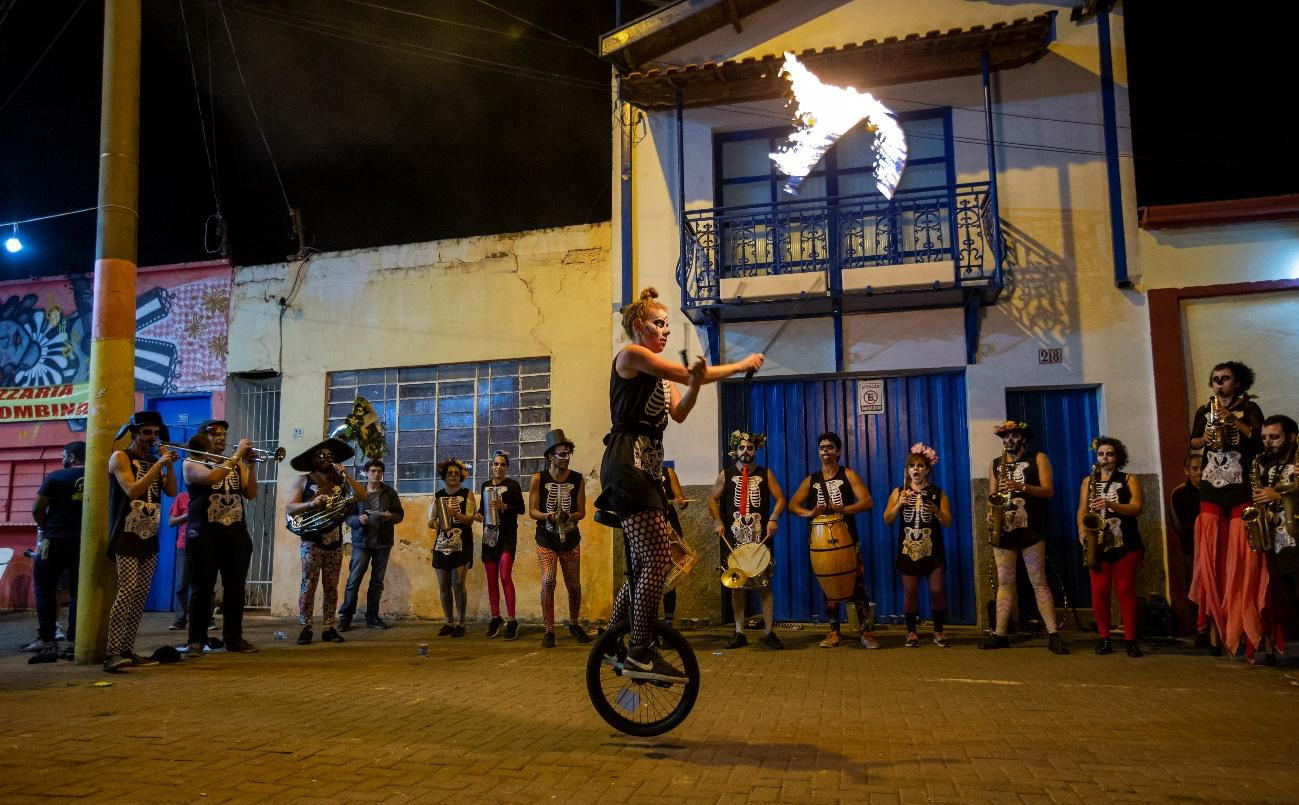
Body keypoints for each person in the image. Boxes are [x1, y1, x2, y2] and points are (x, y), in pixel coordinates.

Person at [597, 287, 762, 682]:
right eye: (659, 323)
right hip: (627, 463)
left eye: (668, 324)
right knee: (658, 560)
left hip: (648, 470)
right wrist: (738, 365)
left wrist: (695, 384)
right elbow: (688, 374)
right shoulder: (632, 356)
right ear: (639, 326)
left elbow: (682, 412)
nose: (666, 330)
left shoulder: (658, 373)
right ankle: (640, 649)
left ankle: (612, 642)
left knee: (649, 566)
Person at [1188, 361, 1264, 656]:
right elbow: (1193, 441)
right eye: (1216, 379)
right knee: (1209, 555)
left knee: (1239, 556)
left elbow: (1259, 440)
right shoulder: (1204, 409)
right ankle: (1209, 622)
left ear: (1238, 382)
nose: (1220, 383)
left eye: (1225, 379)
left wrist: (1234, 421)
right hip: (1211, 484)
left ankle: (1241, 622)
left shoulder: (1250, 409)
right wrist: (1204, 437)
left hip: (1240, 485)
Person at [981, 420, 1069, 654]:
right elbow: (992, 496)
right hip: (1004, 529)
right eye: (1006, 437)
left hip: (1031, 529)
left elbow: (1048, 491)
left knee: (1038, 581)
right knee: (1005, 582)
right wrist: (991, 515)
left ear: (1023, 437)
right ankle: (1000, 634)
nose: (1009, 440)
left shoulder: (1037, 458)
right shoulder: (996, 464)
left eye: (1014, 435)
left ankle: (1053, 634)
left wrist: (1022, 487)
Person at [103, 411, 178, 672]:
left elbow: (171, 492)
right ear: (135, 433)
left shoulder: (153, 459)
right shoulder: (121, 457)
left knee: (140, 596)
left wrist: (168, 465)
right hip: (126, 534)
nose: (152, 438)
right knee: (126, 592)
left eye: (156, 433)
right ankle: (111, 654)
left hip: (149, 535)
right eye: (147, 433)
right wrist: (158, 465)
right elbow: (132, 489)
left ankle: (127, 649)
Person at [789, 431, 878, 649]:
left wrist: (845, 509)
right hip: (820, 540)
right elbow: (793, 505)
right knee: (828, 583)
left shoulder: (848, 475)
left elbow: (867, 501)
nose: (825, 451)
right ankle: (833, 631)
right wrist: (809, 514)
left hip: (847, 537)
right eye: (822, 447)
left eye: (829, 447)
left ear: (837, 451)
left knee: (858, 585)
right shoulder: (812, 479)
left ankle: (865, 632)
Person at [183, 420, 259, 656]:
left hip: (235, 533)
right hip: (204, 533)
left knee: (235, 589)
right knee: (202, 588)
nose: (221, 438)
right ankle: (196, 640)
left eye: (224, 434)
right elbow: (212, 478)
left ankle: (234, 638)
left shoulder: (236, 465)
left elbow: (251, 493)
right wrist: (236, 456)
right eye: (215, 434)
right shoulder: (192, 462)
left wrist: (251, 465)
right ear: (202, 437)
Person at [285, 437, 367, 646]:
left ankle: (329, 627)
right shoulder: (303, 480)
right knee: (308, 585)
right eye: (321, 456)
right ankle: (306, 627)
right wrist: (312, 503)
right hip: (311, 541)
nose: (326, 459)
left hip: (334, 540)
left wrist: (346, 475)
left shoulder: (340, 480)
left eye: (330, 456)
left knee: (331, 586)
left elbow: (363, 496)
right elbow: (290, 508)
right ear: (313, 460)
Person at [711, 430, 785, 650]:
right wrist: (717, 521)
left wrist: (773, 518)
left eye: (749, 448)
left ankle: (769, 631)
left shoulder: (766, 473)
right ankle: (739, 631)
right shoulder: (726, 474)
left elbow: (781, 499)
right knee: (737, 586)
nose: (745, 451)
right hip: (734, 539)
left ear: (756, 450)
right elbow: (712, 500)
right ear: (736, 450)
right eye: (742, 448)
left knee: (765, 585)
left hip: (760, 537)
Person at [1076, 437, 1145, 658]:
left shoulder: (1129, 479)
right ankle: (1104, 637)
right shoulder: (1089, 481)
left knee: (1125, 590)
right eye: (1101, 454)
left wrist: (1110, 504)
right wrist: (1081, 532)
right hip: (1098, 543)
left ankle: (1130, 639)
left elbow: (1136, 508)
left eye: (1110, 454)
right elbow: (1082, 510)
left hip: (1125, 542)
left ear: (1118, 457)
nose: (1105, 457)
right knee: (1099, 591)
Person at [881, 443, 952, 648]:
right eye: (912, 466)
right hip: (908, 549)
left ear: (928, 469)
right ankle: (911, 632)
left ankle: (938, 630)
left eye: (920, 466)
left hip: (932, 549)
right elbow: (887, 519)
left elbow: (948, 521)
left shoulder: (938, 493)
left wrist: (937, 510)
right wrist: (899, 504)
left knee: (937, 590)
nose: (916, 469)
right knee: (910, 592)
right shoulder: (899, 492)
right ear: (907, 470)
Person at [529, 430, 591, 647]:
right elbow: (533, 511)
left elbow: (582, 512)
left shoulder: (577, 479)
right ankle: (549, 629)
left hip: (570, 538)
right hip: (546, 538)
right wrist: (549, 516)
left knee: (573, 585)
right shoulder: (538, 479)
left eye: (567, 454)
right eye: (561, 454)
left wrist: (568, 516)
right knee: (548, 581)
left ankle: (574, 623)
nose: (565, 458)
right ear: (550, 456)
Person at [28, 441, 85, 664]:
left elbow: (36, 508)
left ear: (71, 457)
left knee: (44, 587)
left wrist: (45, 527)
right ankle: (76, 640)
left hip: (55, 539)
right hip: (83, 542)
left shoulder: (55, 477)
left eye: (64, 455)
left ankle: (47, 640)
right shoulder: (100, 479)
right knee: (79, 590)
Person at [339, 458, 405, 631]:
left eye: (379, 471)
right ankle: (345, 618)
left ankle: (372, 617)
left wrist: (390, 517)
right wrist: (358, 520)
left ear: (382, 474)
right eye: (373, 471)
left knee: (377, 582)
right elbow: (348, 517)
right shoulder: (357, 492)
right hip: (361, 543)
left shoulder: (390, 493)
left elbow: (400, 515)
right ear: (366, 473)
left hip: (383, 544)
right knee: (354, 581)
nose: (376, 474)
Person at [1254, 415, 1297, 664]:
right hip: (1278, 541)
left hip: (1296, 538)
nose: (1268, 442)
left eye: (1274, 437)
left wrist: (1276, 496)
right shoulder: (1269, 468)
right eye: (1264, 438)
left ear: (1291, 438)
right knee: (1287, 601)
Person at [476, 450, 525, 639]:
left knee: (505, 576)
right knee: (491, 579)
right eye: (496, 464)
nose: (498, 467)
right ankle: (495, 617)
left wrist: (505, 507)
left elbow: (521, 509)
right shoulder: (485, 485)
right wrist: (477, 515)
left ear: (507, 467)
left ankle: (512, 620)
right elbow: (482, 509)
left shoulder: (513, 485)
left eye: (502, 464)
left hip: (506, 537)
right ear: (491, 466)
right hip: (489, 538)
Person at [429, 458, 475, 638]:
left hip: (462, 542)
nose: (453, 475)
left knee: (458, 583)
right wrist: (433, 524)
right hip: (442, 544)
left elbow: (470, 519)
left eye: (457, 473)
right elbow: (431, 519)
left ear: (461, 475)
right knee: (443, 584)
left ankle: (461, 623)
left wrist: (455, 514)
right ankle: (448, 621)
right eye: (450, 473)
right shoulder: (438, 495)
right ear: (444, 476)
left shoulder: (468, 494)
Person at [1169, 453, 1203, 638]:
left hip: (1213, 547)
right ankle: (1199, 628)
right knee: (1194, 587)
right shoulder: (1179, 493)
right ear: (1186, 471)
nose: (1199, 472)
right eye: (1194, 469)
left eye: (1202, 468)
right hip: (1191, 548)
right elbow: (1176, 522)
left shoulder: (1213, 490)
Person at [659, 462, 689, 626]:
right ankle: (647, 621)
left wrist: (681, 502)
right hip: (648, 527)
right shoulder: (637, 472)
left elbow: (682, 500)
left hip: (670, 528)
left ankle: (668, 623)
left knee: (670, 577)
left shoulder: (667, 472)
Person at [167, 490, 192, 632]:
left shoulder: (208, 496)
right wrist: (187, 516)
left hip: (205, 545)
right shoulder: (182, 497)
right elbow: (171, 521)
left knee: (204, 585)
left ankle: (207, 620)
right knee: (182, 584)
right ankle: (180, 620)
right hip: (184, 545)